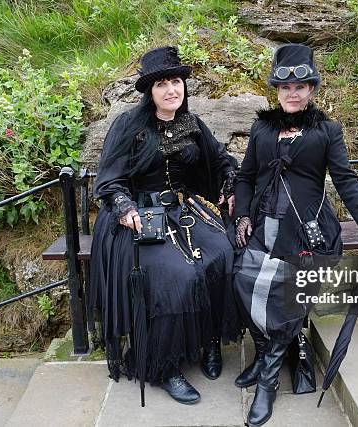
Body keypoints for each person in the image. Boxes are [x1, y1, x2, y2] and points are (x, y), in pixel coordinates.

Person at [232, 44, 358, 426]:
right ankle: (267, 350)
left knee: (288, 295)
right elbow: (247, 176)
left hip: (306, 231)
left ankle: (266, 383)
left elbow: (345, 177)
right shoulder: (262, 128)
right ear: (277, 91)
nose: (294, 93)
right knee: (242, 281)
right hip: (265, 224)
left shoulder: (326, 131)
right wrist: (243, 216)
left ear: (312, 90)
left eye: (302, 86)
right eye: (286, 88)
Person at [90, 46, 240, 404]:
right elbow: (109, 181)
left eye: (176, 81)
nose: (171, 89)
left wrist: (231, 184)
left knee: (222, 254)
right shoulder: (129, 126)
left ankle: (209, 342)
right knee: (176, 274)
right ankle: (166, 365)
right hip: (138, 217)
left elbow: (221, 162)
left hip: (182, 211)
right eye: (162, 84)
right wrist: (125, 207)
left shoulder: (192, 123)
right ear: (149, 91)